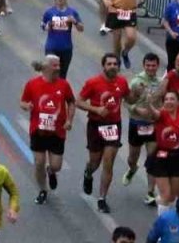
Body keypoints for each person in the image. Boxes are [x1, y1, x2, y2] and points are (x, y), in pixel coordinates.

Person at [77, 53, 129, 214]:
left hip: (113, 125)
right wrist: (96, 109)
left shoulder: (122, 82)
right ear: (104, 66)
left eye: (115, 64)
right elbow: (78, 101)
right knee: (95, 162)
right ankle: (88, 173)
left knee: (108, 162)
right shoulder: (93, 83)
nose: (113, 66)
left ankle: (102, 199)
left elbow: (129, 98)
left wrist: (138, 94)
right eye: (109, 64)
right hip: (95, 125)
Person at [20, 54, 74, 205]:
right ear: (46, 67)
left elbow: (71, 103)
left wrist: (69, 120)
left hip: (57, 131)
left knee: (56, 165)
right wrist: (27, 106)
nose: (58, 68)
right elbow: (23, 101)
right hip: (38, 130)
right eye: (55, 65)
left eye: (59, 65)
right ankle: (43, 189)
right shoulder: (32, 84)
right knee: (39, 162)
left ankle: (51, 172)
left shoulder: (64, 85)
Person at [122, 52, 164, 206]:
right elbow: (125, 102)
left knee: (153, 158)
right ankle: (132, 169)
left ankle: (150, 192)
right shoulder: (136, 82)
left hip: (153, 124)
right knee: (132, 157)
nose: (151, 68)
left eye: (153, 66)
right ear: (143, 65)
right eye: (148, 65)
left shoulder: (162, 83)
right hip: (137, 123)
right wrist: (136, 109)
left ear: (158, 66)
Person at [146, 90, 179, 214]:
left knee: (173, 196)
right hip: (161, 157)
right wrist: (149, 104)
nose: (169, 101)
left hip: (177, 158)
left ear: (178, 102)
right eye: (166, 99)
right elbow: (154, 114)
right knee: (166, 195)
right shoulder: (162, 114)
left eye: (172, 99)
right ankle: (162, 227)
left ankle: (162, 201)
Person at [40, 0, 83, 76]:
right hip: (51, 48)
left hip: (66, 49)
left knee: (62, 75)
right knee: (51, 74)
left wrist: (74, 21)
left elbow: (81, 29)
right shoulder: (49, 12)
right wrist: (49, 26)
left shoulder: (72, 12)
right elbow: (43, 26)